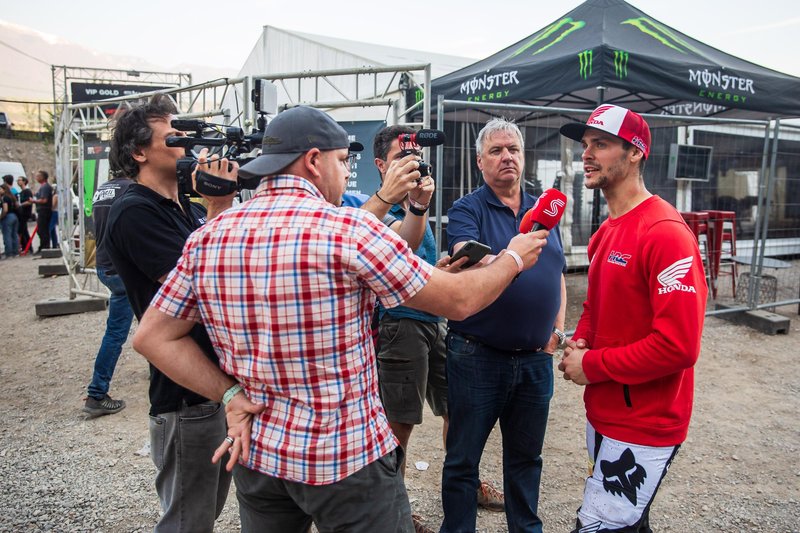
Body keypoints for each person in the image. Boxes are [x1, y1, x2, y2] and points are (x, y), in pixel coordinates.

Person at [131, 105, 550, 533]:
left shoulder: (207, 237)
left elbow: (153, 338)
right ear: (314, 161)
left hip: (261, 459)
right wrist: (514, 257)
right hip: (348, 460)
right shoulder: (346, 229)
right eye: (342, 162)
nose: (346, 174)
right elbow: (460, 302)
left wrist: (230, 394)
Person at [557, 104, 707, 532]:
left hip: (644, 423)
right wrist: (581, 340)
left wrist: (593, 366)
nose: (587, 154)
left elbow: (678, 347)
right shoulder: (607, 229)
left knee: (601, 527)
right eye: (586, 145)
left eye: (600, 145)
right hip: (604, 411)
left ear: (635, 152)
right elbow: (596, 308)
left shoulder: (665, 233)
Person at [103, 94, 234, 532]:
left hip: (211, 384)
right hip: (183, 395)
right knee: (186, 521)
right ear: (139, 151)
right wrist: (219, 208)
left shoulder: (185, 209)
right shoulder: (134, 211)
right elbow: (199, 288)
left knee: (206, 511)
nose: (186, 143)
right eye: (174, 135)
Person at [442, 117, 567, 533]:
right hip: (478, 355)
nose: (506, 157)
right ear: (480, 162)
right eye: (496, 151)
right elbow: (465, 253)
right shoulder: (467, 208)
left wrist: (555, 335)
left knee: (526, 460)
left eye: (513, 148)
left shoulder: (545, 211)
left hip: (535, 361)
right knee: (463, 460)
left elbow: (558, 276)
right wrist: (508, 257)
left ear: (523, 155)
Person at [82, 174, 136, 417]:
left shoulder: (103, 188)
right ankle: (96, 394)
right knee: (120, 333)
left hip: (105, 266)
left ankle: (160, 369)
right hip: (124, 270)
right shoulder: (132, 189)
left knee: (124, 330)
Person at [30, 170, 53, 251]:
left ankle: (44, 246)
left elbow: (44, 200)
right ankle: (43, 246)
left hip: (44, 210)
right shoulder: (43, 187)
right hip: (42, 210)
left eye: (38, 176)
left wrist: (33, 201)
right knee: (41, 229)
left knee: (42, 229)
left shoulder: (45, 187)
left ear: (42, 177)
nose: (36, 178)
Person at [1, 180, 20, 258]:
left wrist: (1, 216)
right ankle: (16, 251)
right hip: (14, 216)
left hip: (8, 217)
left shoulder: (4, 198)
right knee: (14, 234)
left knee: (7, 235)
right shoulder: (12, 197)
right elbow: (17, 206)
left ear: (4, 189)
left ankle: (9, 252)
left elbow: (5, 209)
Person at [16, 176, 33, 251]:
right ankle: (27, 247)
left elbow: (29, 202)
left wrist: (20, 205)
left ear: (24, 181)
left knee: (21, 230)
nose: (18, 182)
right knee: (24, 230)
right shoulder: (21, 192)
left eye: (19, 180)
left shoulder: (27, 191)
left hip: (25, 213)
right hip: (21, 213)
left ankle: (28, 247)